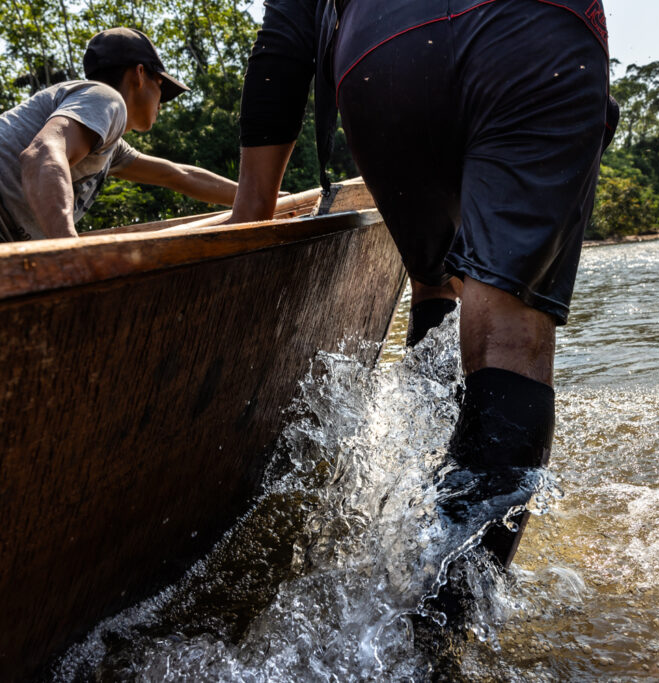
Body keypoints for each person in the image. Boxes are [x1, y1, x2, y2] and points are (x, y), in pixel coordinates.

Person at [232, 0, 618, 569]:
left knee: (432, 281)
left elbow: (285, 42)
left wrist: (251, 214)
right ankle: (442, 632)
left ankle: (410, 486)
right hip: (531, 32)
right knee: (509, 336)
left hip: (381, 55)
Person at [0, 27, 239, 253]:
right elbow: (42, 153)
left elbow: (178, 175)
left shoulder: (102, 135)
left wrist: (272, 198)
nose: (162, 101)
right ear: (140, 75)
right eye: (164, 87)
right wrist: (68, 251)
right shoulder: (105, 99)